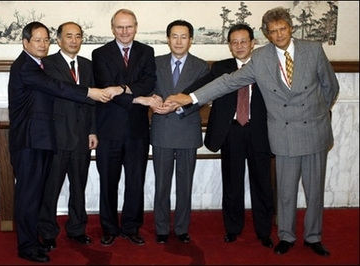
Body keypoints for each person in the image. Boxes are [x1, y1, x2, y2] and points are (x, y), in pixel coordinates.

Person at [166, 7, 339, 256]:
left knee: (314, 190)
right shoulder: (260, 58)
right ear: (267, 35)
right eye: (273, 31)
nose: (279, 34)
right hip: (283, 133)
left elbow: (329, 87)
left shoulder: (313, 50)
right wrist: (190, 97)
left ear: (291, 28)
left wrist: (317, 114)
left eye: (283, 29)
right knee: (286, 192)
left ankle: (313, 237)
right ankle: (286, 237)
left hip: (314, 130)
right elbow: (227, 82)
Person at [8, 21, 110, 263]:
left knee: (34, 194)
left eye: (45, 40)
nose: (42, 44)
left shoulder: (38, 65)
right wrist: (89, 92)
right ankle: (27, 247)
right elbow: (55, 86)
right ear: (25, 43)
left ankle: (32, 242)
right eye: (37, 40)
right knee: (28, 196)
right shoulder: (26, 67)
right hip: (29, 142)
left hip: (42, 140)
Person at [177, 24, 274, 247]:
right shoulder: (221, 68)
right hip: (230, 131)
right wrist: (180, 100)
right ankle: (233, 228)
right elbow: (200, 89)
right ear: (229, 46)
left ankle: (264, 231)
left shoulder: (266, 65)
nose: (239, 46)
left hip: (260, 131)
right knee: (232, 183)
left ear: (253, 43)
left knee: (262, 184)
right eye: (234, 42)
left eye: (243, 41)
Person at [137, 20, 209, 244]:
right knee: (162, 184)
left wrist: (180, 107)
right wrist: (152, 101)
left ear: (191, 39)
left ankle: (181, 228)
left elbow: (203, 97)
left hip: (187, 130)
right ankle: (161, 228)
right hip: (162, 130)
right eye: (174, 36)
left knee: (185, 184)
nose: (179, 41)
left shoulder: (201, 66)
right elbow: (146, 88)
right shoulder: (154, 63)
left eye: (183, 37)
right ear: (167, 39)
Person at [91, 9, 156, 246]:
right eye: (120, 27)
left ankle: (131, 227)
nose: (124, 31)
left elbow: (148, 82)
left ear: (136, 27)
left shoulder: (146, 52)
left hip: (138, 130)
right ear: (112, 28)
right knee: (108, 181)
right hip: (108, 130)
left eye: (129, 27)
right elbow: (106, 89)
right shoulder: (99, 53)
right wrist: (136, 96)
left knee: (135, 182)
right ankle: (109, 228)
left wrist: (123, 88)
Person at [37, 22, 96, 250]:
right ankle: (48, 231)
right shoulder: (47, 64)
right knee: (51, 187)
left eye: (78, 36)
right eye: (68, 36)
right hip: (57, 137)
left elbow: (93, 102)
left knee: (79, 185)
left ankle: (77, 229)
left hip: (82, 137)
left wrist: (93, 130)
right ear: (58, 40)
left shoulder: (88, 66)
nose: (74, 40)